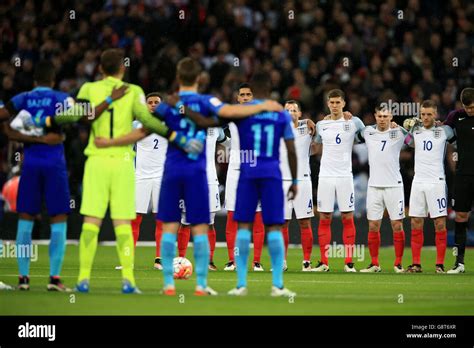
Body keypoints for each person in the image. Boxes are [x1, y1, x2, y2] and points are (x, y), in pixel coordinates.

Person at [40, 49, 204, 294]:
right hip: (125, 163)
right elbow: (149, 123)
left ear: (100, 69)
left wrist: (49, 122)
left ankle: (83, 280)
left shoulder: (89, 90)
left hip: (96, 161)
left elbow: (74, 115)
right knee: (123, 224)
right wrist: (177, 136)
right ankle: (129, 281)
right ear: (122, 68)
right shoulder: (134, 91)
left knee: (91, 222)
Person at [153, 58, 284, 296]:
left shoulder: (167, 105)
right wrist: (264, 106)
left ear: (177, 77)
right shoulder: (208, 102)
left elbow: (148, 124)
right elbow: (228, 112)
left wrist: (173, 134)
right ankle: (202, 285)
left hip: (171, 172)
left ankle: (168, 285)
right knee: (201, 227)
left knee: (171, 225)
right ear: (200, 79)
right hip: (199, 174)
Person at [0, 61, 83, 291]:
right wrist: (53, 127)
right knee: (58, 219)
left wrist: (14, 133)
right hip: (55, 163)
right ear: (53, 80)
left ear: (35, 81)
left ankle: (23, 279)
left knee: (25, 219)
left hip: (31, 164)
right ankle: (54, 279)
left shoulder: (23, 98)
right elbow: (78, 113)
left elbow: (2, 116)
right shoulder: (60, 97)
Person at [227, 71, 297, 297]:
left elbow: (216, 117)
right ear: (270, 88)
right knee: (274, 227)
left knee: (243, 226)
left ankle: (240, 285)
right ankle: (277, 285)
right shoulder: (280, 114)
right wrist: (294, 180)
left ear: (253, 91)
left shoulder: (242, 113)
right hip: (272, 174)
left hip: (247, 173)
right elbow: (291, 149)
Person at [94, 92, 168, 271]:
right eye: (149, 102)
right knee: (135, 219)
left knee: (163, 220)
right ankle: (128, 260)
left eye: (156, 102)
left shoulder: (169, 123)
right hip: (140, 177)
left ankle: (160, 259)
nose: (152, 105)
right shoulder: (136, 124)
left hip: (162, 177)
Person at [313, 89, 364, 272]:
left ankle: (349, 262)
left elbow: (369, 137)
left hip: (344, 176)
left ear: (344, 103)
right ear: (328, 104)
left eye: (338, 102)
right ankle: (324, 262)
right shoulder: (321, 125)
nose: (334, 106)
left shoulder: (354, 122)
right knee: (324, 217)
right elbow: (315, 144)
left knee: (347, 217)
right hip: (325, 176)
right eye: (331, 102)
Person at [403, 100, 454, 273]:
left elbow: (456, 135)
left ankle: (439, 264)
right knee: (416, 222)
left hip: (436, 182)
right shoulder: (416, 131)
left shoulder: (444, 131)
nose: (425, 117)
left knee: (439, 223)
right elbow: (407, 142)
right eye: (423, 114)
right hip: (418, 182)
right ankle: (416, 264)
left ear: (436, 114)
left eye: (429, 114)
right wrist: (410, 128)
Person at [359, 106, 409, 273]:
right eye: (379, 116)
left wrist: (401, 127)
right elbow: (353, 133)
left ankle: (398, 263)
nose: (382, 119)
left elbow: (414, 142)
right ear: (375, 116)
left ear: (391, 117)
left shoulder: (398, 133)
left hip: (394, 185)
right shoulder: (367, 132)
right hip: (374, 186)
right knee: (373, 225)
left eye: (385, 116)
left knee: (397, 225)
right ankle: (374, 264)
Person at [223, 83, 265, 272]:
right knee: (232, 216)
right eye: (243, 95)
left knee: (257, 217)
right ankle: (232, 260)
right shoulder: (230, 116)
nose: (246, 97)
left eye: (249, 94)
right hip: (235, 172)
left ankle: (256, 261)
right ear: (238, 98)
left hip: (255, 171)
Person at [177, 125, 229, 271]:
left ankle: (209, 261)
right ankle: (181, 259)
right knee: (186, 221)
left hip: (211, 180)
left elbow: (229, 143)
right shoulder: (186, 126)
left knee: (210, 222)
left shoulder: (216, 129)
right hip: (190, 178)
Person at [280, 100, 315, 271]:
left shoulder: (308, 129)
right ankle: (282, 261)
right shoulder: (277, 129)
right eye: (287, 110)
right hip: (282, 181)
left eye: (294, 110)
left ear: (299, 113)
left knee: (304, 222)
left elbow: (328, 125)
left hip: (303, 180)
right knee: (282, 223)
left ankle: (306, 261)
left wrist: (348, 116)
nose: (290, 113)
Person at [443, 87, 474, 274]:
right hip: (463, 175)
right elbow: (445, 133)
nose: (470, 111)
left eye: (473, 108)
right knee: (461, 217)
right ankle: (459, 263)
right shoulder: (455, 117)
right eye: (467, 108)